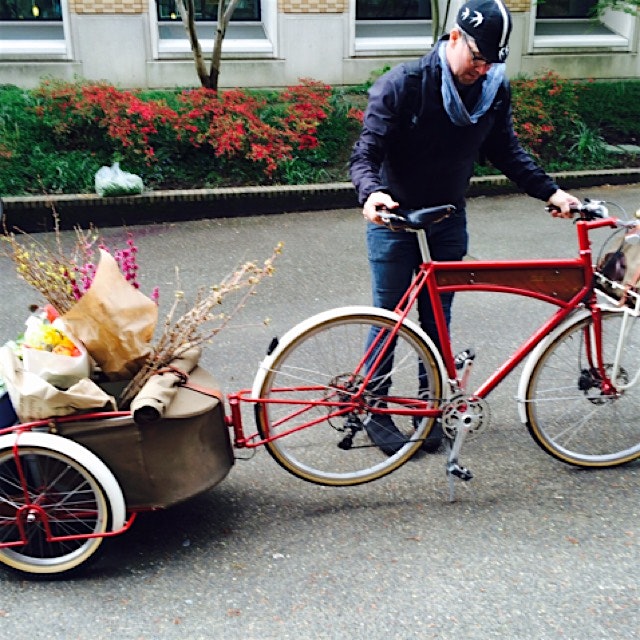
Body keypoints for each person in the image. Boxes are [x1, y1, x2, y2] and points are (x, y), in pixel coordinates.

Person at [349, 0, 580, 456]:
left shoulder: (492, 89)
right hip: (396, 220)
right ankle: (374, 409)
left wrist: (551, 192)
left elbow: (506, 151)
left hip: (448, 219)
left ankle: (431, 405)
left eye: (493, 60)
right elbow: (365, 152)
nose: (483, 68)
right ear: (455, 37)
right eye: (477, 57)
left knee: (438, 319)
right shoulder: (403, 85)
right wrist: (372, 193)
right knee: (390, 318)